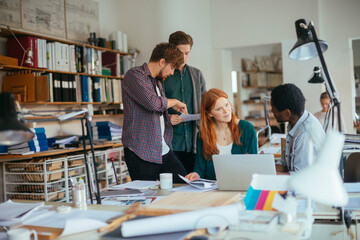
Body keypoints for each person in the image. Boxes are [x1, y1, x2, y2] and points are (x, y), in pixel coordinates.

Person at [122, 42, 188, 183]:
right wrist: (175, 101)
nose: (171, 73)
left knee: (185, 185)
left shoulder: (157, 82)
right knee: (148, 199)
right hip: (141, 153)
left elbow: (153, 114)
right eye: (171, 68)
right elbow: (153, 103)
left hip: (162, 150)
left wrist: (167, 118)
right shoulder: (135, 75)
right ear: (162, 62)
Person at [185, 88, 257, 181]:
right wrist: (196, 174)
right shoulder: (203, 135)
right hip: (213, 188)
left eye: (227, 104)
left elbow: (254, 165)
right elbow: (200, 167)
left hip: (242, 185)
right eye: (219, 109)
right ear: (209, 114)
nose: (226, 111)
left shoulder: (247, 129)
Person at [164, 31, 207, 174]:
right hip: (170, 143)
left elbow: (205, 105)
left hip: (194, 143)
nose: (183, 57)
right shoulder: (163, 74)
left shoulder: (197, 75)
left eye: (187, 53)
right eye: (180, 53)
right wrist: (167, 118)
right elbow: (155, 104)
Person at [271, 84, 326, 175]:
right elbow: (285, 163)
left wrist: (270, 175)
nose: (272, 111)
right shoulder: (295, 123)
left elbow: (299, 176)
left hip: (308, 186)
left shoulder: (305, 132)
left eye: (273, 109)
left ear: (286, 113)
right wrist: (266, 169)